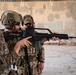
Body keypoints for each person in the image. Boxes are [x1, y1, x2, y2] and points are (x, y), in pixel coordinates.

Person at [0, 10, 32, 75]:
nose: (20, 26)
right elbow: (6, 63)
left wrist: (48, 37)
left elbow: (33, 37)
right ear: (9, 25)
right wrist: (18, 45)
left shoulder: (16, 33)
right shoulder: (1, 38)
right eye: (17, 24)